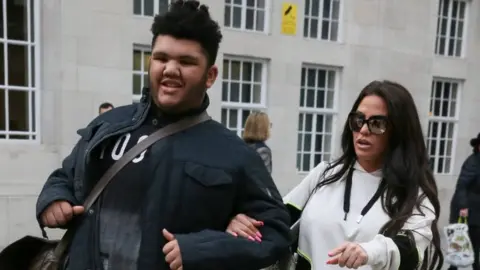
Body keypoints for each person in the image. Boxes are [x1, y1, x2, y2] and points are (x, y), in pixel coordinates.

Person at [35, 1, 291, 269]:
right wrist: (53, 200)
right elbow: (65, 177)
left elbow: (276, 230)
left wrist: (203, 249)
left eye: (186, 61)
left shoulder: (234, 153)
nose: (170, 69)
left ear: (210, 76)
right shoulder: (109, 125)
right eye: (161, 58)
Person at [226, 80, 444, 270]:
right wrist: (240, 221)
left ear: (399, 131)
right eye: (358, 120)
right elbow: (277, 219)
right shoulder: (324, 174)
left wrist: (370, 251)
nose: (364, 130)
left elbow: (412, 250)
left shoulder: (415, 194)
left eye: (377, 123)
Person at [448, 133, 480, 270]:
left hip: (476, 211)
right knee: (465, 242)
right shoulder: (473, 162)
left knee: (472, 243)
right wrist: (463, 207)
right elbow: (462, 185)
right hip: (468, 211)